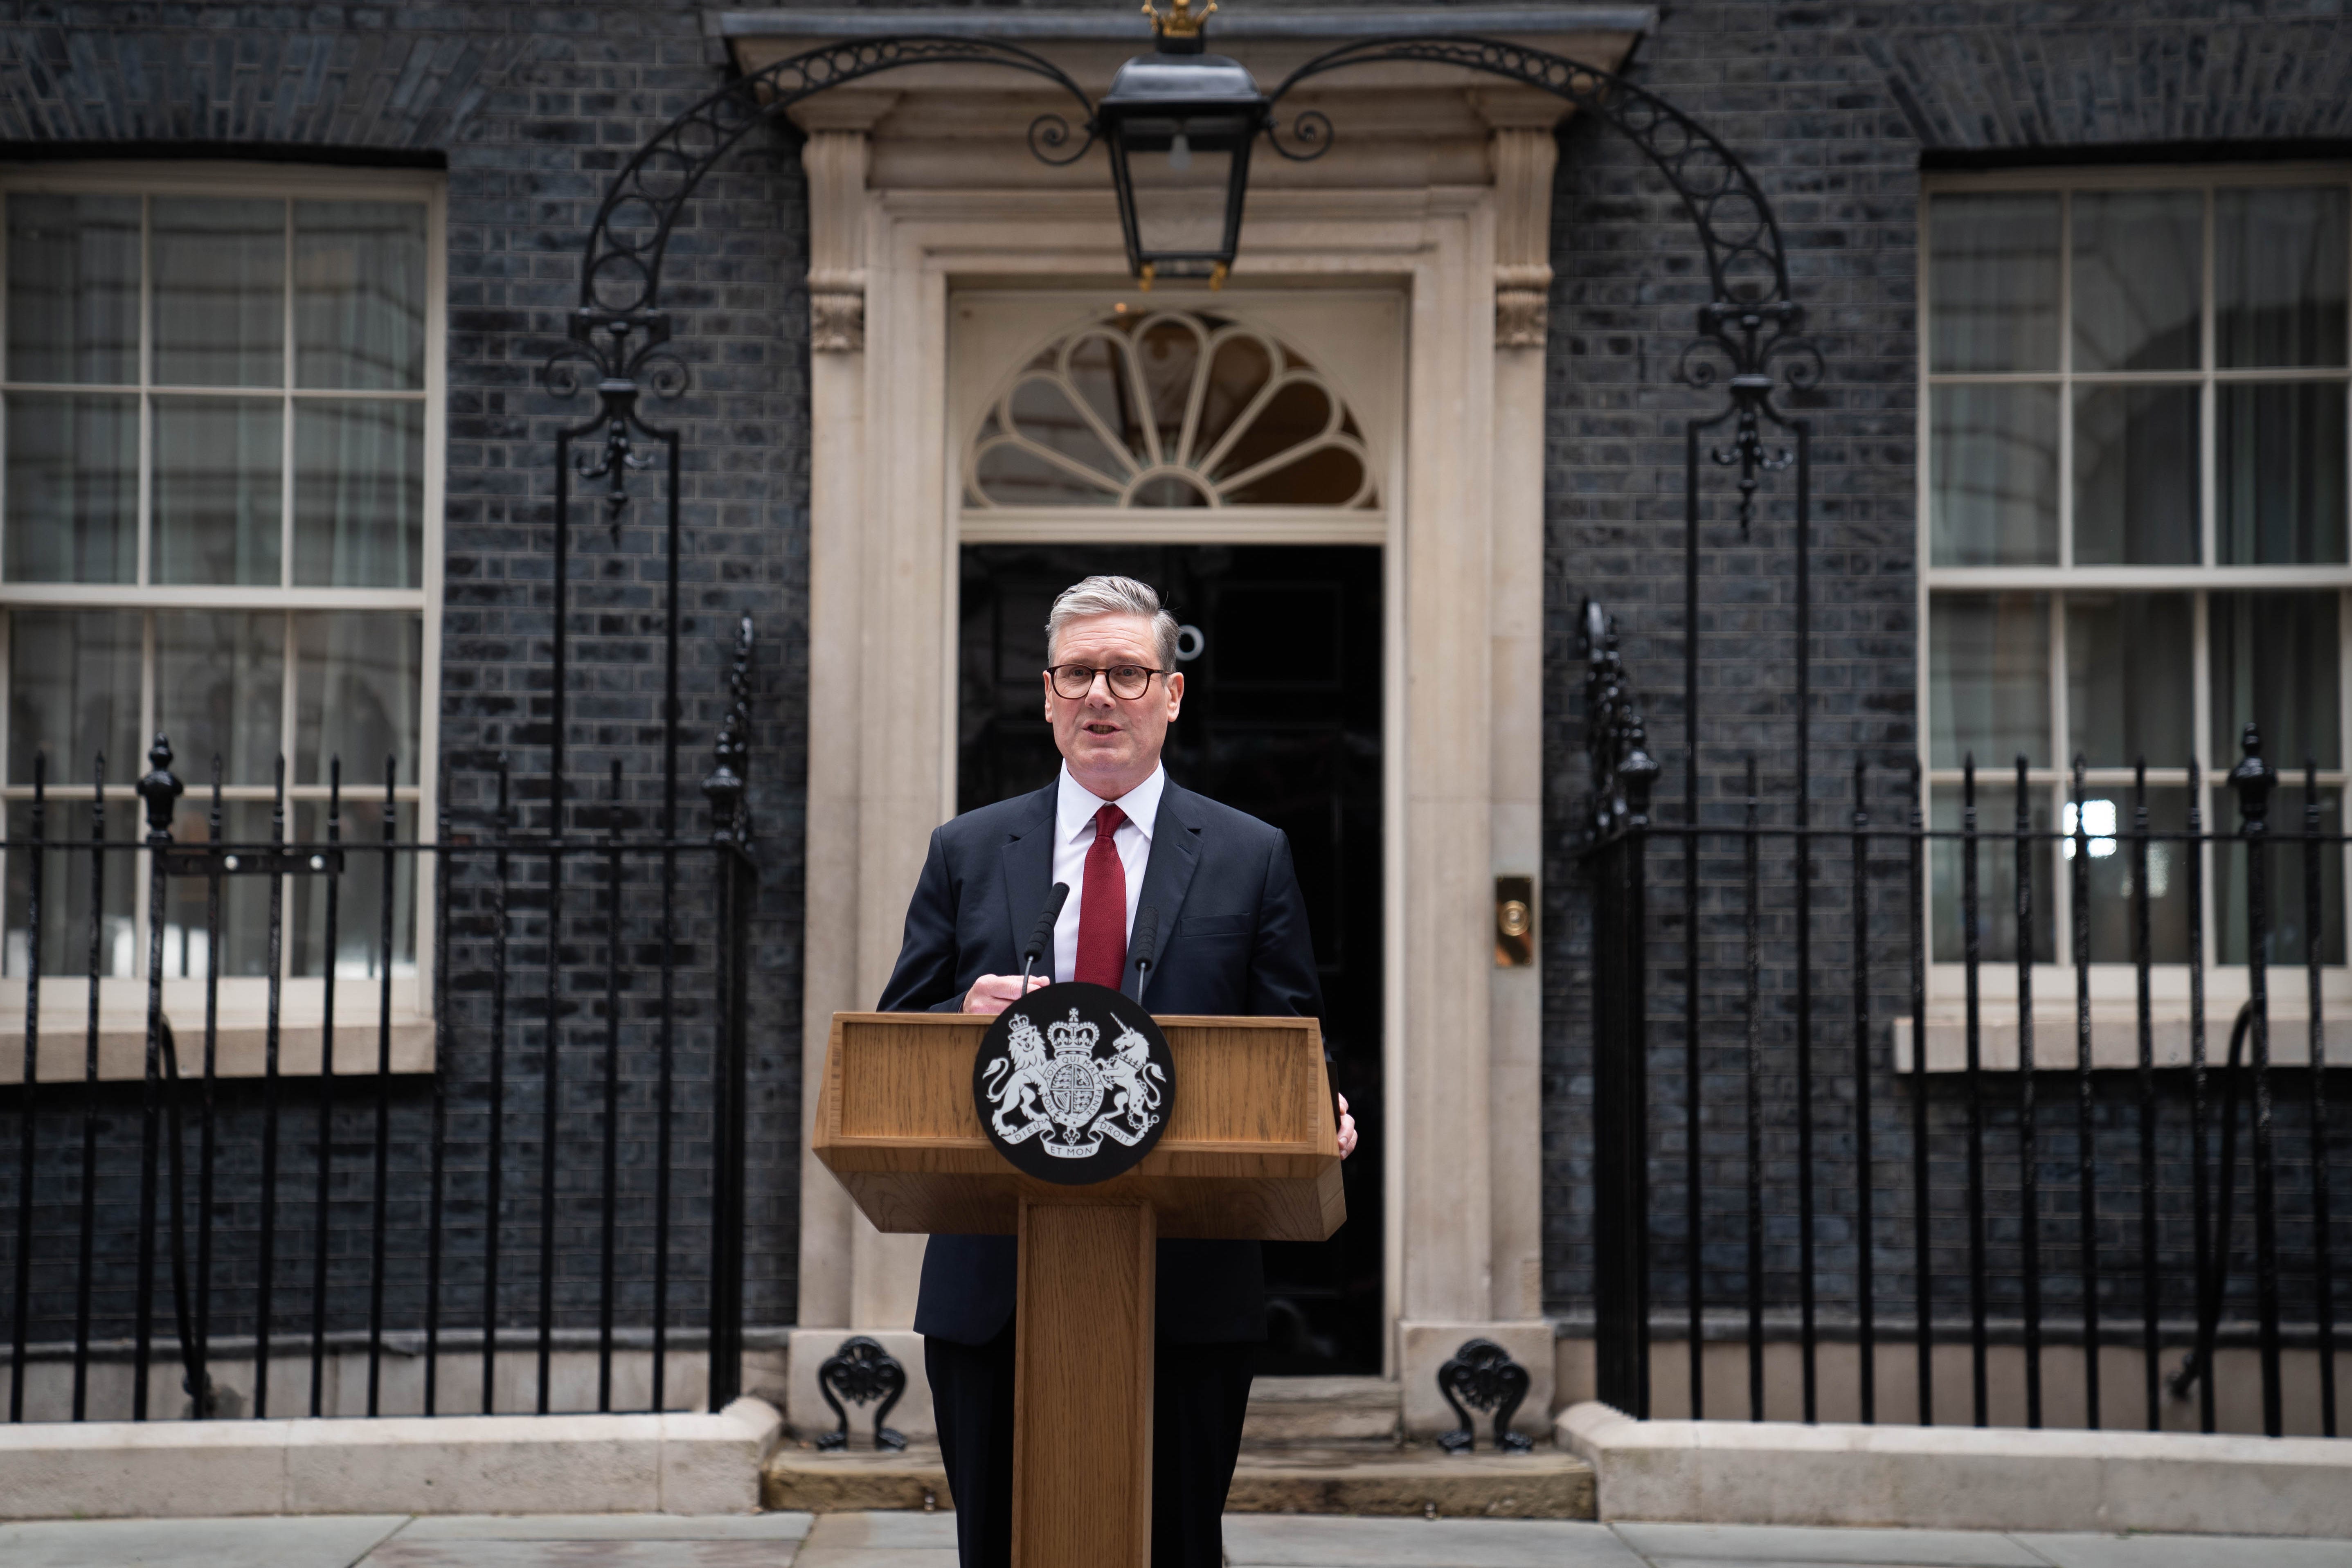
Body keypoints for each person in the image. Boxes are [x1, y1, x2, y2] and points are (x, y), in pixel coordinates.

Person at [878, 574, 1357, 1568]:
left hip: (1186, 1281)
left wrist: (1319, 1108)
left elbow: (1290, 1039)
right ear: (1048, 694)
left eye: (1129, 674)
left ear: (1171, 695)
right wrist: (955, 1017)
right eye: (1080, 674)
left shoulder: (1249, 853)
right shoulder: (968, 850)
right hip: (995, 1283)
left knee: (1175, 1546)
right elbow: (894, 1033)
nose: (1102, 696)